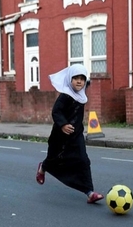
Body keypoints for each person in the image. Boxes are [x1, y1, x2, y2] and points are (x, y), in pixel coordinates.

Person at [36, 64, 104, 204]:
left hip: (76, 136)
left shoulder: (81, 96)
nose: (79, 81)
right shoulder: (65, 96)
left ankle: (90, 192)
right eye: (75, 78)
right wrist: (63, 124)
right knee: (55, 159)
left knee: (83, 160)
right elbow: (56, 111)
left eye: (82, 79)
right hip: (60, 137)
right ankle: (43, 167)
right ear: (69, 80)